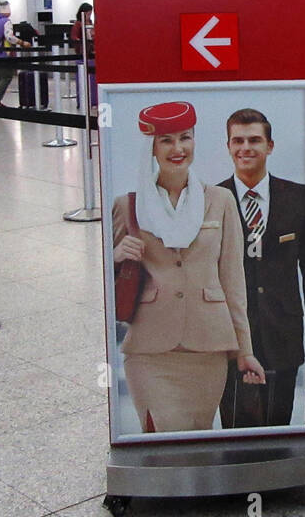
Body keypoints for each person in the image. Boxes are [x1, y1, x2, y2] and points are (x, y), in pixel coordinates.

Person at [111, 101, 265, 434]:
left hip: (208, 347)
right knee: (163, 435)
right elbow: (104, 283)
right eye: (166, 140)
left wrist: (245, 350)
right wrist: (115, 255)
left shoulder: (221, 201)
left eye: (185, 137)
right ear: (151, 147)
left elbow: (232, 280)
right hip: (150, 348)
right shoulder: (128, 206)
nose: (178, 148)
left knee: (198, 434)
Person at [216, 109, 305, 429]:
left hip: (282, 334)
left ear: (270, 146)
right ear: (228, 146)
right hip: (227, 339)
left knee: (278, 428)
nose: (246, 147)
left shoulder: (301, 197)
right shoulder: (210, 201)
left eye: (255, 140)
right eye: (238, 140)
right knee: (234, 429)